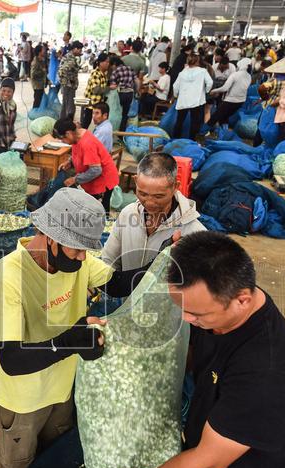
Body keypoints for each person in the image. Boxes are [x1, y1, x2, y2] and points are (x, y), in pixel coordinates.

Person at [103, 230, 285, 468]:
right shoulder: (226, 309)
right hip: (207, 459)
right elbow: (191, 350)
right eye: (183, 311)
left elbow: (208, 463)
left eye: (197, 315)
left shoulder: (266, 374)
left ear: (242, 298)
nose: (187, 321)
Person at [0, 188, 112, 468]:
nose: (82, 257)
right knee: (14, 466)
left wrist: (164, 265)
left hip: (61, 391)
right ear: (49, 237)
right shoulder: (8, 276)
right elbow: (10, 359)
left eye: (85, 250)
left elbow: (116, 281)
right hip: (21, 399)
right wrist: (71, 342)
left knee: (52, 456)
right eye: (75, 249)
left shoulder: (78, 261)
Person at [101, 153, 205, 298]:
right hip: (126, 306)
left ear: (175, 186)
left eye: (158, 196)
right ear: (136, 181)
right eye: (142, 194)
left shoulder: (194, 232)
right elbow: (108, 261)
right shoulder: (127, 214)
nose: (149, 202)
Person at [53, 118, 119, 209]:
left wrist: (75, 179)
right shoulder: (77, 136)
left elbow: (96, 170)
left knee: (98, 210)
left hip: (104, 180)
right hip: (94, 178)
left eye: (62, 139)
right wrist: (70, 162)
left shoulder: (87, 143)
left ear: (68, 133)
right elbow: (78, 153)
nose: (62, 142)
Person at [171, 54, 213, 140]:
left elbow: (175, 86)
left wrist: (175, 95)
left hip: (183, 100)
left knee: (179, 121)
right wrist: (206, 91)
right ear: (197, 61)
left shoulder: (182, 73)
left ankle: (175, 138)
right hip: (196, 100)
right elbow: (210, 82)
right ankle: (192, 139)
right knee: (195, 121)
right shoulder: (203, 71)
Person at [207, 60, 250, 128]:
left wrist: (214, 91)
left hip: (231, 100)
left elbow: (225, 88)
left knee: (215, 117)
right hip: (241, 101)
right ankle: (224, 132)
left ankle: (202, 133)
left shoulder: (235, 75)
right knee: (225, 116)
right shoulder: (249, 76)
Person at [109, 55, 137, 133]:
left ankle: (114, 130)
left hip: (120, 94)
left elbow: (113, 86)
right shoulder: (130, 68)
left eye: (112, 65)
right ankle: (122, 132)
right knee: (125, 114)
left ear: (114, 63)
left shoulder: (116, 71)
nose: (112, 68)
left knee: (116, 112)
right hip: (130, 94)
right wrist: (137, 92)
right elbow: (137, 81)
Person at [82, 54, 111, 129]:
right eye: (106, 62)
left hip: (97, 103)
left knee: (94, 122)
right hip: (91, 103)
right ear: (100, 63)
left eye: (108, 62)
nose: (108, 64)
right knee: (86, 122)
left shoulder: (103, 74)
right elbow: (96, 90)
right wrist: (109, 88)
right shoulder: (96, 73)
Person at [58, 41, 83, 120]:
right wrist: (70, 80)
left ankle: (64, 121)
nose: (80, 52)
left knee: (67, 104)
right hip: (68, 85)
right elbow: (62, 71)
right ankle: (65, 122)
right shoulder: (70, 58)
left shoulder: (70, 56)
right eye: (80, 50)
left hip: (68, 85)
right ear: (75, 49)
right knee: (69, 106)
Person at [0, 79, 17, 156]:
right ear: (0, 90)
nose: (6, 93)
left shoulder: (13, 105)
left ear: (13, 92)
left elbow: (11, 125)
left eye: (9, 91)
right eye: (3, 90)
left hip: (10, 142)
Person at [29, 45, 47, 109]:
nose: (44, 51)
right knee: (37, 101)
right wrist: (42, 71)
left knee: (40, 100)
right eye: (43, 50)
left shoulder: (41, 60)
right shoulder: (35, 62)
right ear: (39, 52)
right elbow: (33, 75)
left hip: (41, 84)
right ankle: (35, 113)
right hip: (37, 85)